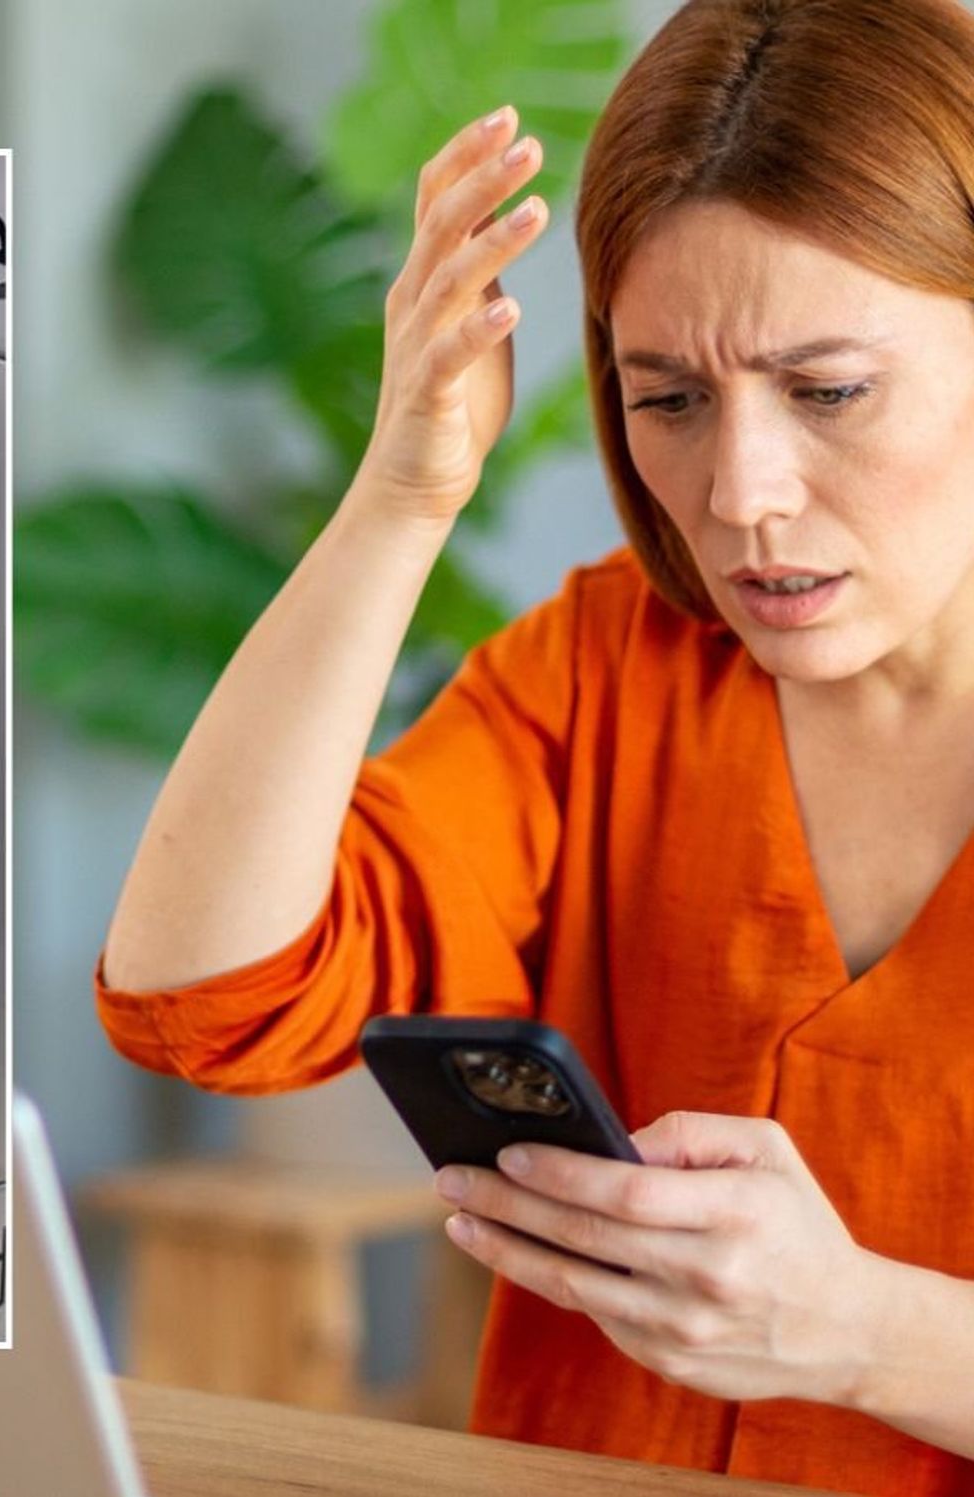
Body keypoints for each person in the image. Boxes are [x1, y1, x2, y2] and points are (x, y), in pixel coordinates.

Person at [94, 0, 974, 1491]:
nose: (744, 489)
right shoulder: (604, 671)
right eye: (669, 400)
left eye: (829, 391)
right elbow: (200, 991)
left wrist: (862, 1334)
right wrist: (402, 495)